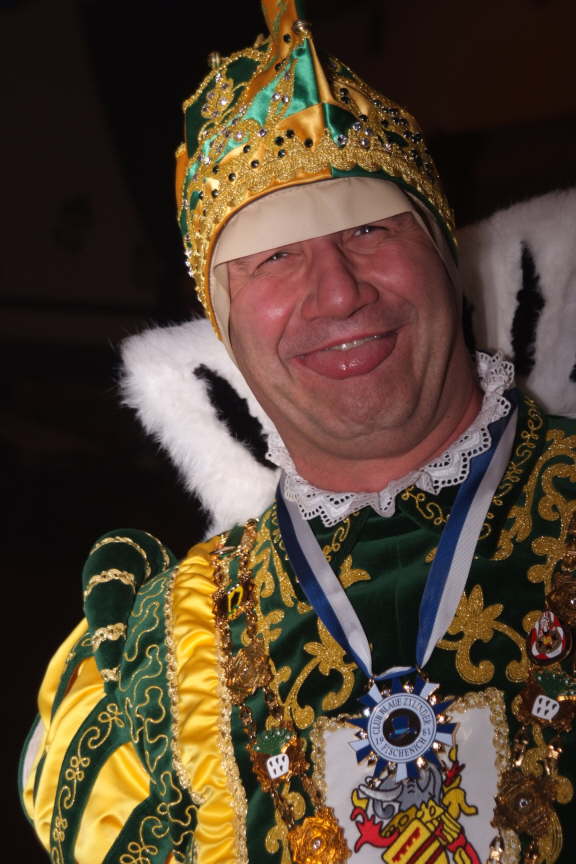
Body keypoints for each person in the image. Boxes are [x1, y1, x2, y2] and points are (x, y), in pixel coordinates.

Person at [19, 1, 576, 862]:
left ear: (445, 256)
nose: (340, 292)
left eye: (369, 227)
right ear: (226, 326)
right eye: (275, 256)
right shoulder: (163, 661)